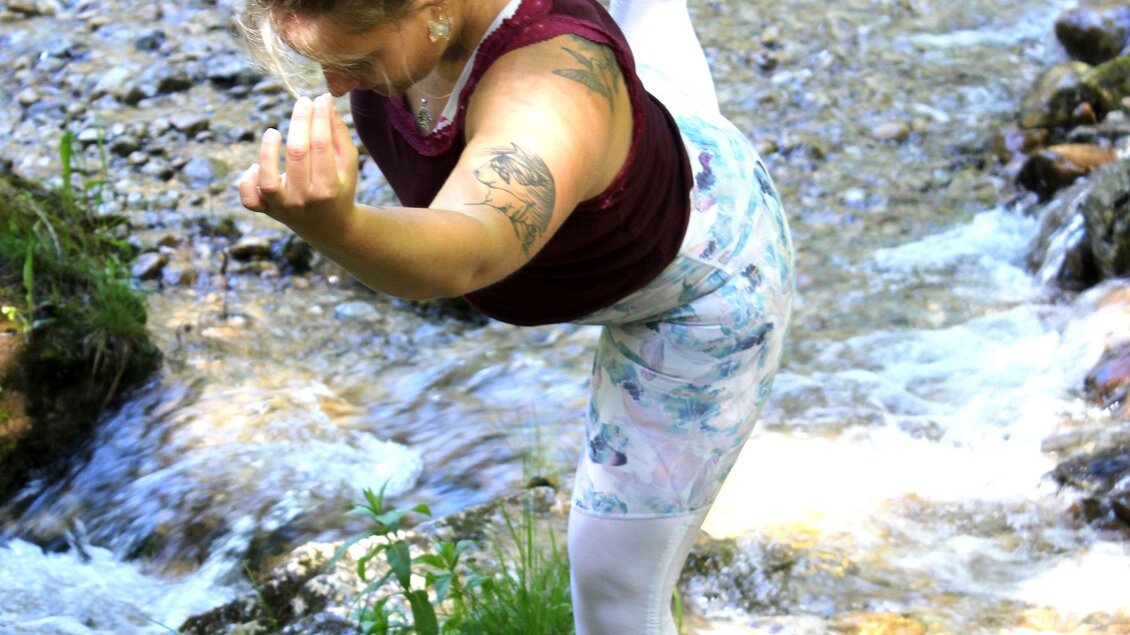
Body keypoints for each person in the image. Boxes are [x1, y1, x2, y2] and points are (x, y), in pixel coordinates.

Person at [236, 0, 794, 632]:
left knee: (613, 586)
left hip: (704, 284)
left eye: (356, 60)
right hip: (656, 139)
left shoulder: (551, 91)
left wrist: (340, 227)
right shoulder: (420, 26)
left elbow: (468, 252)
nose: (335, 86)